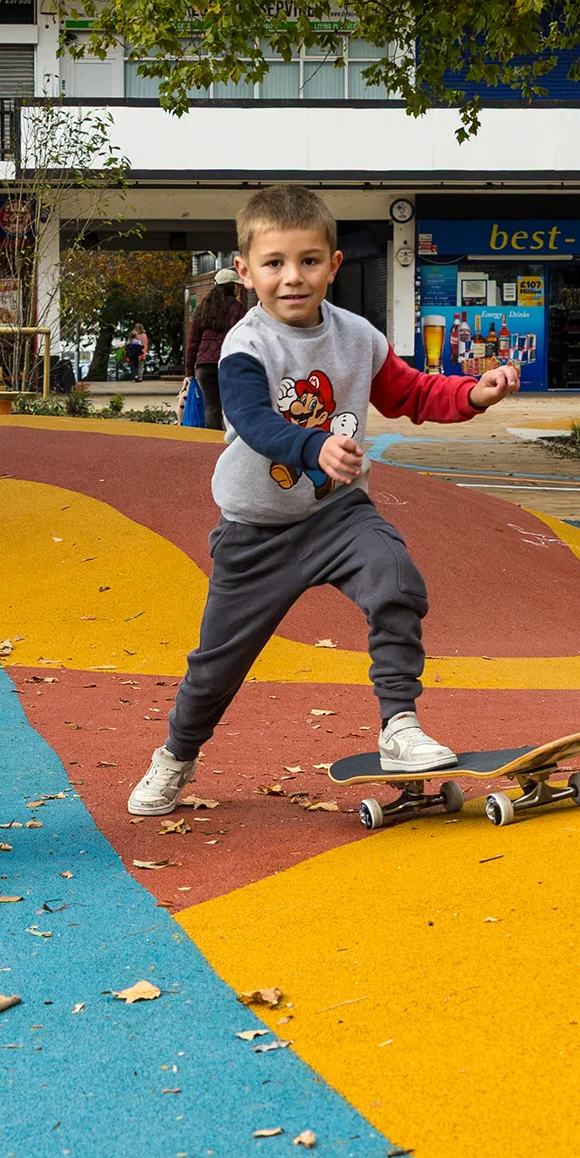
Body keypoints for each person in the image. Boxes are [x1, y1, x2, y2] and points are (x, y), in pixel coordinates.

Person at [126, 184, 520, 817]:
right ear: (246, 270)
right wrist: (315, 449)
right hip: (255, 531)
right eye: (275, 263)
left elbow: (412, 394)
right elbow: (254, 421)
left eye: (309, 261)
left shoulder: (357, 336)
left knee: (395, 577)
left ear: (334, 265)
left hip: (337, 514)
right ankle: (175, 755)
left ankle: (400, 728)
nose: (292, 277)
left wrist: (475, 393)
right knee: (216, 667)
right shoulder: (245, 345)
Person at [185, 270, 246, 430]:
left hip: (204, 366)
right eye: (237, 285)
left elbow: (193, 340)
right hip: (227, 364)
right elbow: (244, 337)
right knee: (232, 405)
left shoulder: (202, 307)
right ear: (231, 286)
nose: (239, 289)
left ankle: (211, 444)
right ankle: (231, 443)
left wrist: (189, 370)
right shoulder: (238, 308)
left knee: (211, 407)